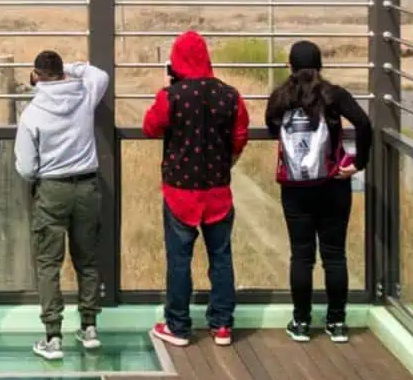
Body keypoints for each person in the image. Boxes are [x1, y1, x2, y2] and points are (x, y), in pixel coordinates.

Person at [142, 30, 249, 349]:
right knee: (221, 258)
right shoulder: (230, 95)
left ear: (176, 62)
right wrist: (227, 162)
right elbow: (240, 134)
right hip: (218, 191)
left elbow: (150, 127)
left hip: (180, 193)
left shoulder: (171, 96)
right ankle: (222, 326)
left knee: (179, 260)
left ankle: (177, 326)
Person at [265, 40, 373, 344]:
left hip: (295, 188)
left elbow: (273, 129)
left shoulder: (280, 98)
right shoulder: (333, 95)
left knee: (301, 256)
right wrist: (359, 163)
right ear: (320, 66)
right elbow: (364, 124)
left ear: (290, 66)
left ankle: (300, 322)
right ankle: (337, 323)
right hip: (333, 184)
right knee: (334, 256)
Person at [14, 51, 109, 360]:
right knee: (88, 260)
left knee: (48, 263)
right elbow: (99, 75)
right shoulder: (84, 95)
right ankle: (90, 327)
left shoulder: (32, 113)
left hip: (52, 189)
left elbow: (27, 167)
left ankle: (53, 337)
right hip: (86, 186)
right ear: (60, 72)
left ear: (36, 75)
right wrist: (69, 68)